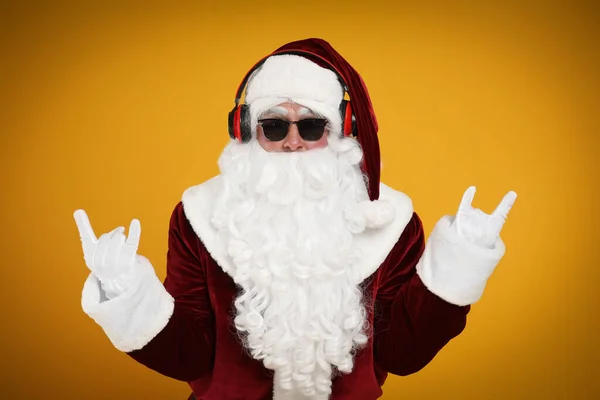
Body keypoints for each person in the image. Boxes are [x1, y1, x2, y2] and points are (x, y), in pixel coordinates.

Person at [74, 38, 517, 400]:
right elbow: (189, 356)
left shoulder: (391, 223)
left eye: (310, 128)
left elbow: (402, 354)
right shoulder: (199, 217)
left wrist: (460, 262)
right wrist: (125, 291)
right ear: (246, 131)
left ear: (340, 130)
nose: (292, 143)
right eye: (273, 127)